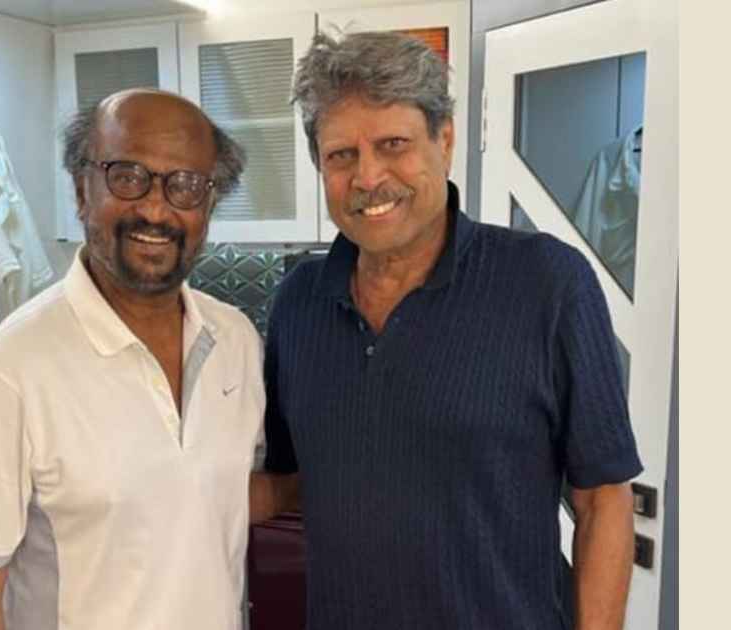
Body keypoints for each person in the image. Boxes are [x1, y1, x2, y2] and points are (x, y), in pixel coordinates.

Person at [250, 32, 643, 630]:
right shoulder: (298, 301)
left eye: (393, 144)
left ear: (446, 140)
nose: (368, 177)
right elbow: (291, 481)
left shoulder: (548, 283)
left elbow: (603, 499)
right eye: (342, 155)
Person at [0, 88, 265, 630]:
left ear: (208, 207)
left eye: (185, 186)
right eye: (127, 176)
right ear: (82, 191)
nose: (155, 209)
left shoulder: (237, 340)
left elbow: (211, 491)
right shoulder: (8, 372)